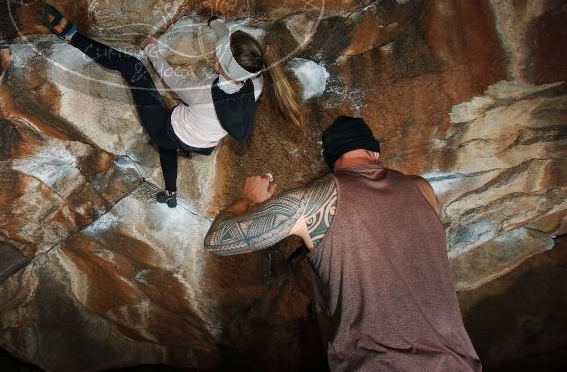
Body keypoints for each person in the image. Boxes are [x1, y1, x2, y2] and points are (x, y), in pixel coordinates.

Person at [204, 116, 482, 371]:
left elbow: (218, 240)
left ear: (332, 161)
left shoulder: (316, 199)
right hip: (457, 362)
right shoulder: (423, 189)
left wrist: (248, 199)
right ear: (374, 152)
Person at [41, 3, 303, 208]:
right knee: (171, 145)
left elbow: (168, 75)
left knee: (133, 68)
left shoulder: (201, 93)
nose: (213, 52)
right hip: (202, 143)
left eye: (216, 53)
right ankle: (170, 193)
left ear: (218, 63)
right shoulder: (253, 82)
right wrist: (217, 23)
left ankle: (73, 37)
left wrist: (149, 47)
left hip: (167, 128)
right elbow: (233, 45)